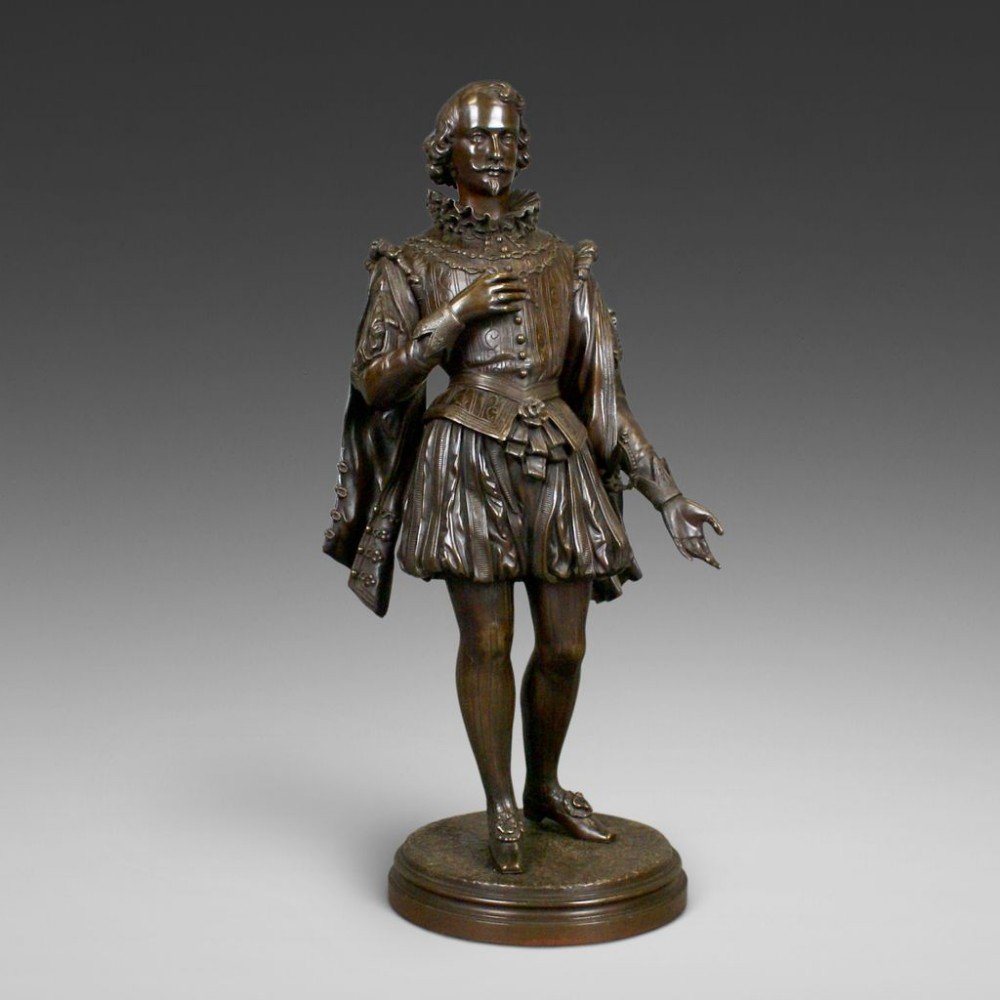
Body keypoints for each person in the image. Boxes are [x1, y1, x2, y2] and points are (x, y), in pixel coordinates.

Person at [324, 81, 723, 874]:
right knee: (489, 639)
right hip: (467, 458)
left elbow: (604, 400)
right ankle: (501, 803)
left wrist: (668, 497)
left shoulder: (563, 262)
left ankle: (544, 787)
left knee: (565, 647)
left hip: (558, 455)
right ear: (446, 154)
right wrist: (454, 315)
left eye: (507, 137)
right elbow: (373, 380)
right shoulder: (414, 263)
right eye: (479, 138)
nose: (495, 152)